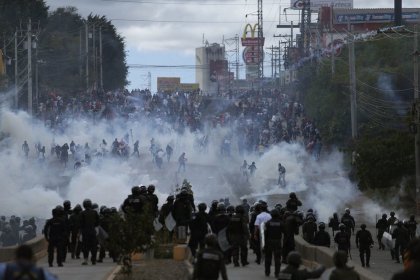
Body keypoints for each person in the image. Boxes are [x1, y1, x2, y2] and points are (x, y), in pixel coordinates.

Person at [264, 209, 284, 277]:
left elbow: (265, 234)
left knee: (268, 258)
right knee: (277, 258)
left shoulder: (268, 223)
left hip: (269, 242)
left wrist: (265, 244)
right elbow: (284, 232)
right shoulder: (281, 223)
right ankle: (277, 273)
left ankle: (267, 272)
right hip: (278, 242)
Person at [80, 199, 99, 265]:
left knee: (85, 247)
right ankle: (93, 260)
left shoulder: (82, 213)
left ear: (84, 205)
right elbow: (98, 222)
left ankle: (86, 260)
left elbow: (81, 223)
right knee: (94, 246)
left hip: (85, 232)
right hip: (93, 231)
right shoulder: (95, 212)